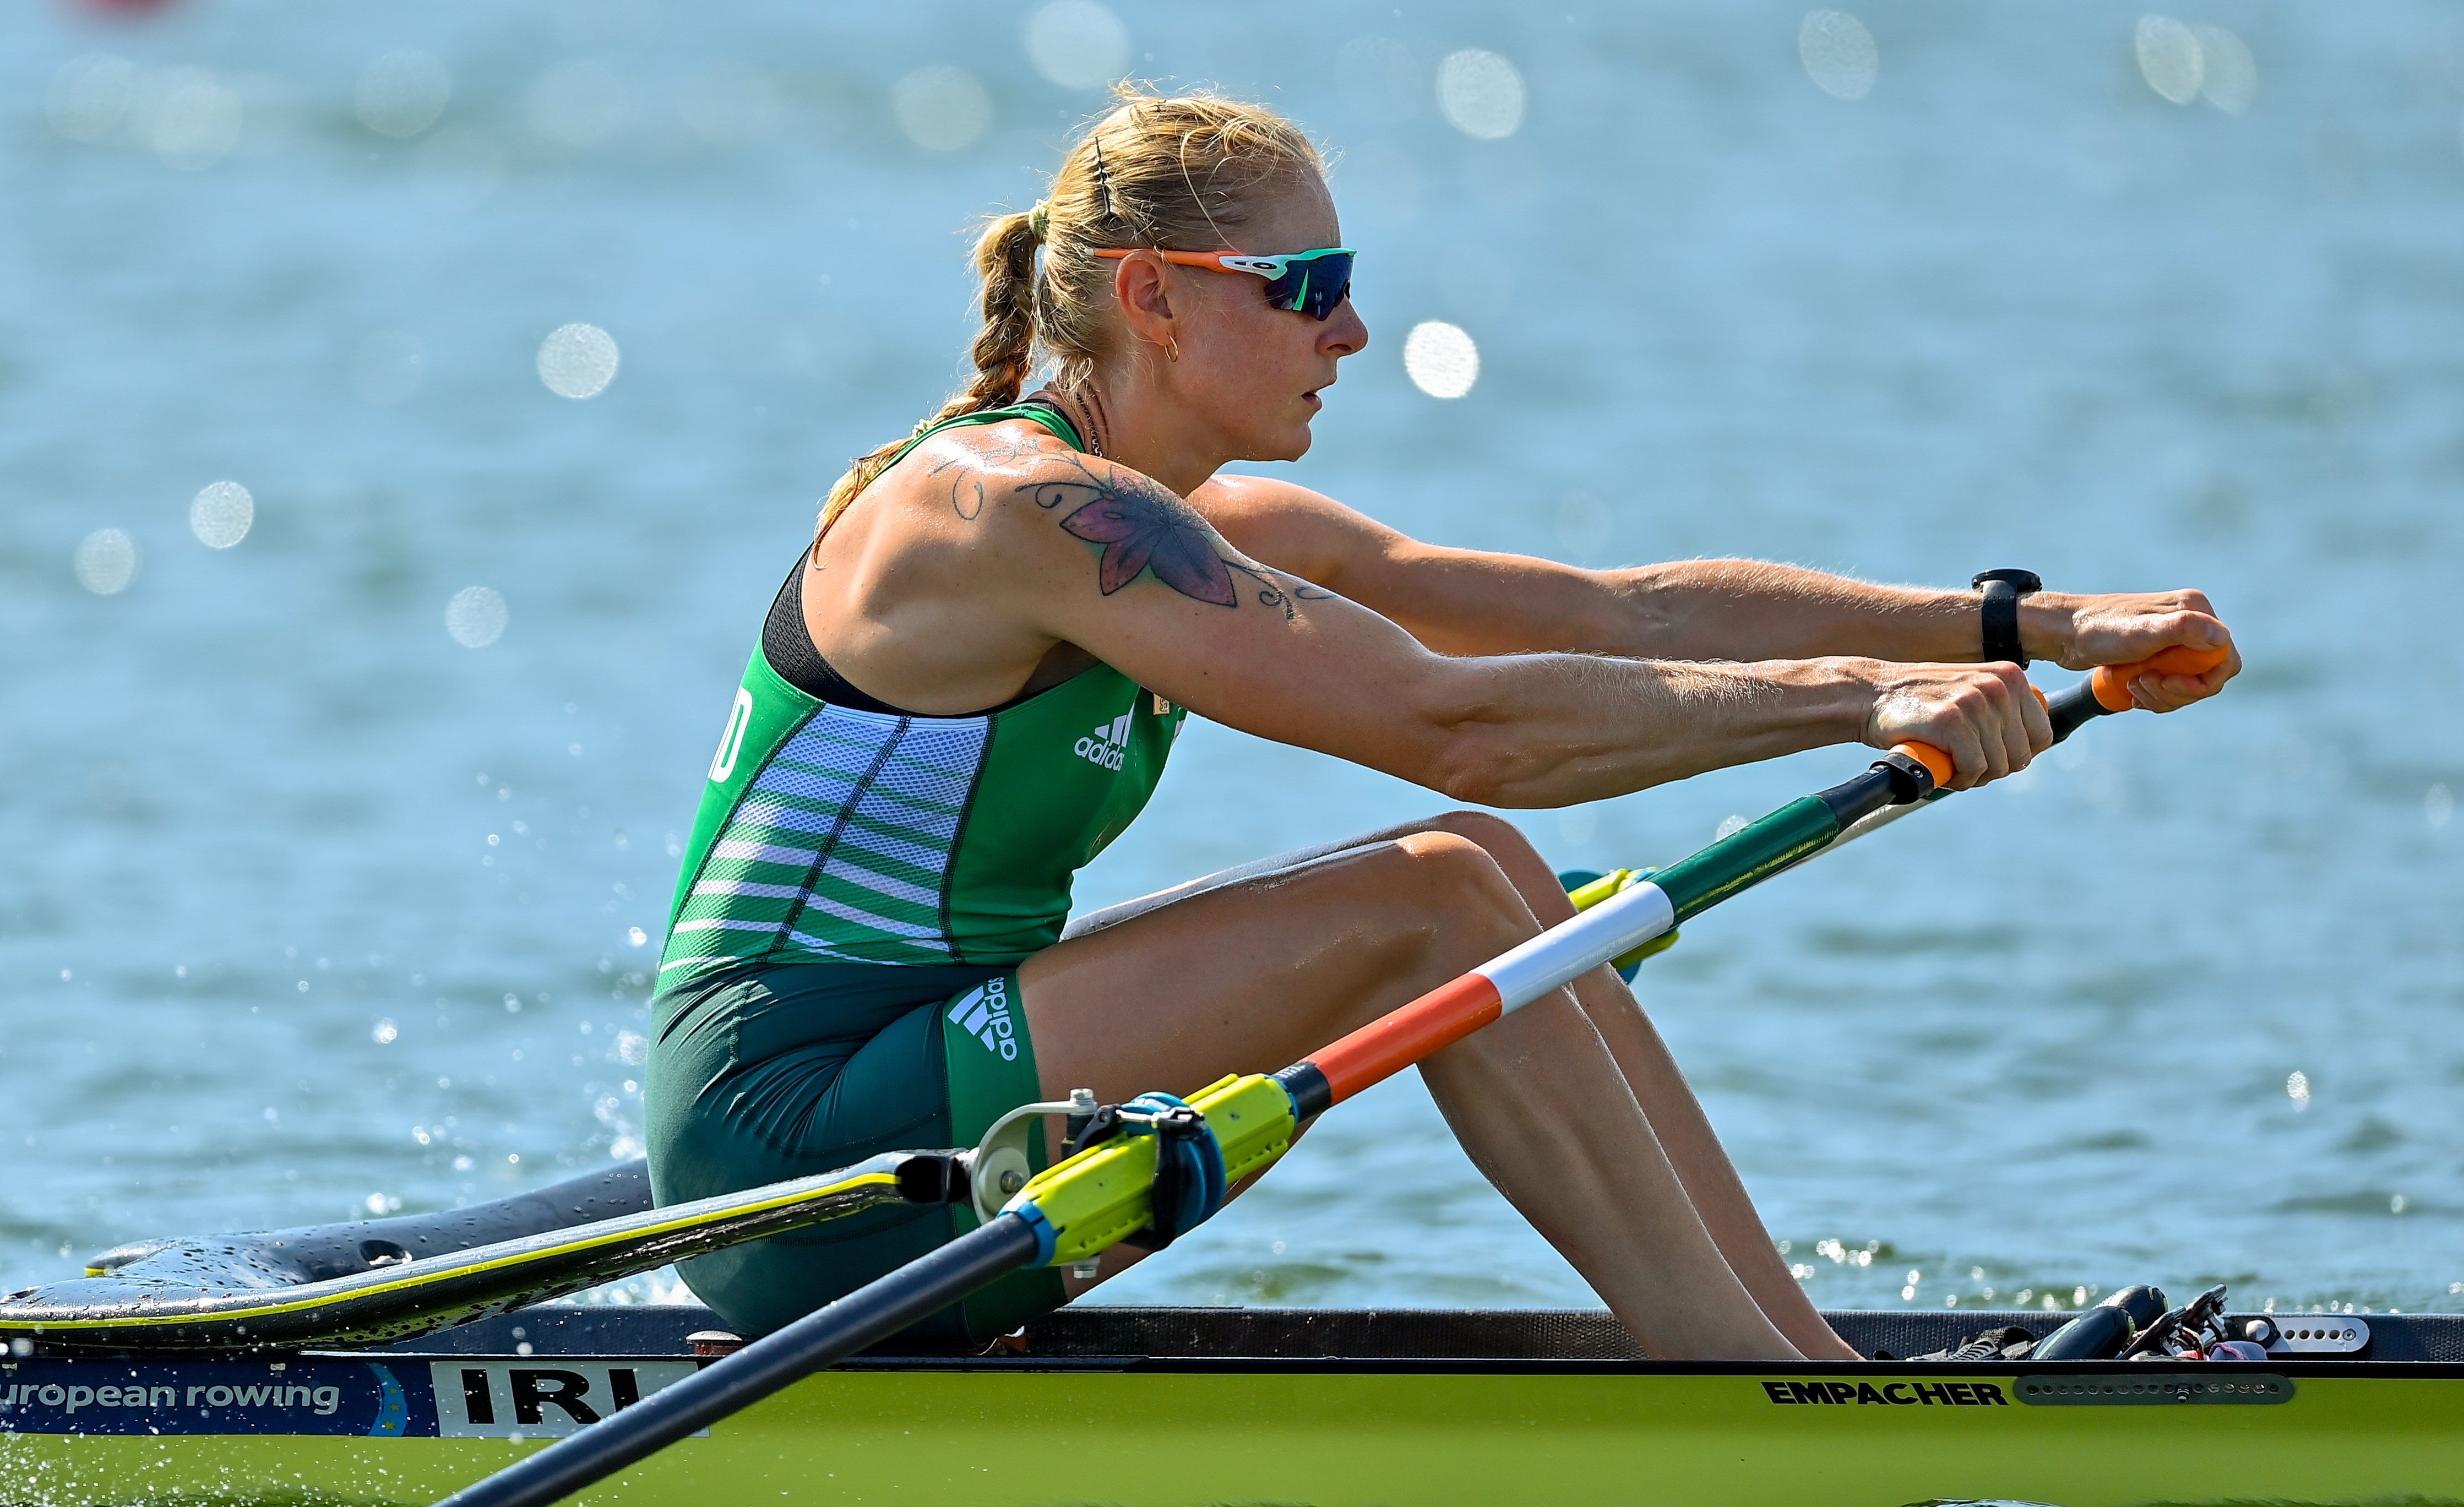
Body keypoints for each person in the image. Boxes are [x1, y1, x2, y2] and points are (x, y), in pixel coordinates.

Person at [644, 88, 2234, 1361]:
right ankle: (1741, 1384)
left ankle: (1800, 1357)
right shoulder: (1014, 508)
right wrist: (1857, 701)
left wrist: (2030, 627)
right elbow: (1461, 725)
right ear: (1154, 301)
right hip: (789, 1155)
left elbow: (1624, 617)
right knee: (1436, 887)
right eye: (1308, 290)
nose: (1349, 333)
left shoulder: (1189, 519)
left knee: (1480, 868)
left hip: (934, 1108)